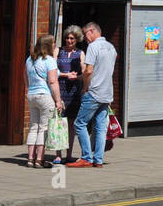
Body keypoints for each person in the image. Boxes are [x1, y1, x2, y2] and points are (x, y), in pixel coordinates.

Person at [71, 22, 117, 168]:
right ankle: (98, 160)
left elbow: (89, 71)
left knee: (79, 123)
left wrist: (85, 88)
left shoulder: (93, 47)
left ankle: (86, 157)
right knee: (100, 127)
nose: (85, 38)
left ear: (92, 31)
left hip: (94, 92)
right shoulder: (111, 47)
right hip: (107, 93)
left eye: (85, 34)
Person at [24, 34, 62, 168]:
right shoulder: (49, 60)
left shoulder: (30, 59)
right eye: (53, 43)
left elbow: (26, 79)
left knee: (33, 127)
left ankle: (30, 159)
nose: (55, 46)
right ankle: (39, 159)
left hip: (32, 95)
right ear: (48, 45)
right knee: (43, 128)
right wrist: (58, 100)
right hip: (45, 96)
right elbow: (53, 82)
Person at [53, 25, 85, 165]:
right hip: (60, 90)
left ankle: (69, 154)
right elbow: (52, 70)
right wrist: (66, 75)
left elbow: (84, 72)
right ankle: (58, 155)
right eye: (67, 37)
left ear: (77, 39)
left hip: (74, 92)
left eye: (72, 38)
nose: (69, 40)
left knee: (71, 125)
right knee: (59, 123)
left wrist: (78, 77)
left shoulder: (80, 53)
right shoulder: (58, 51)